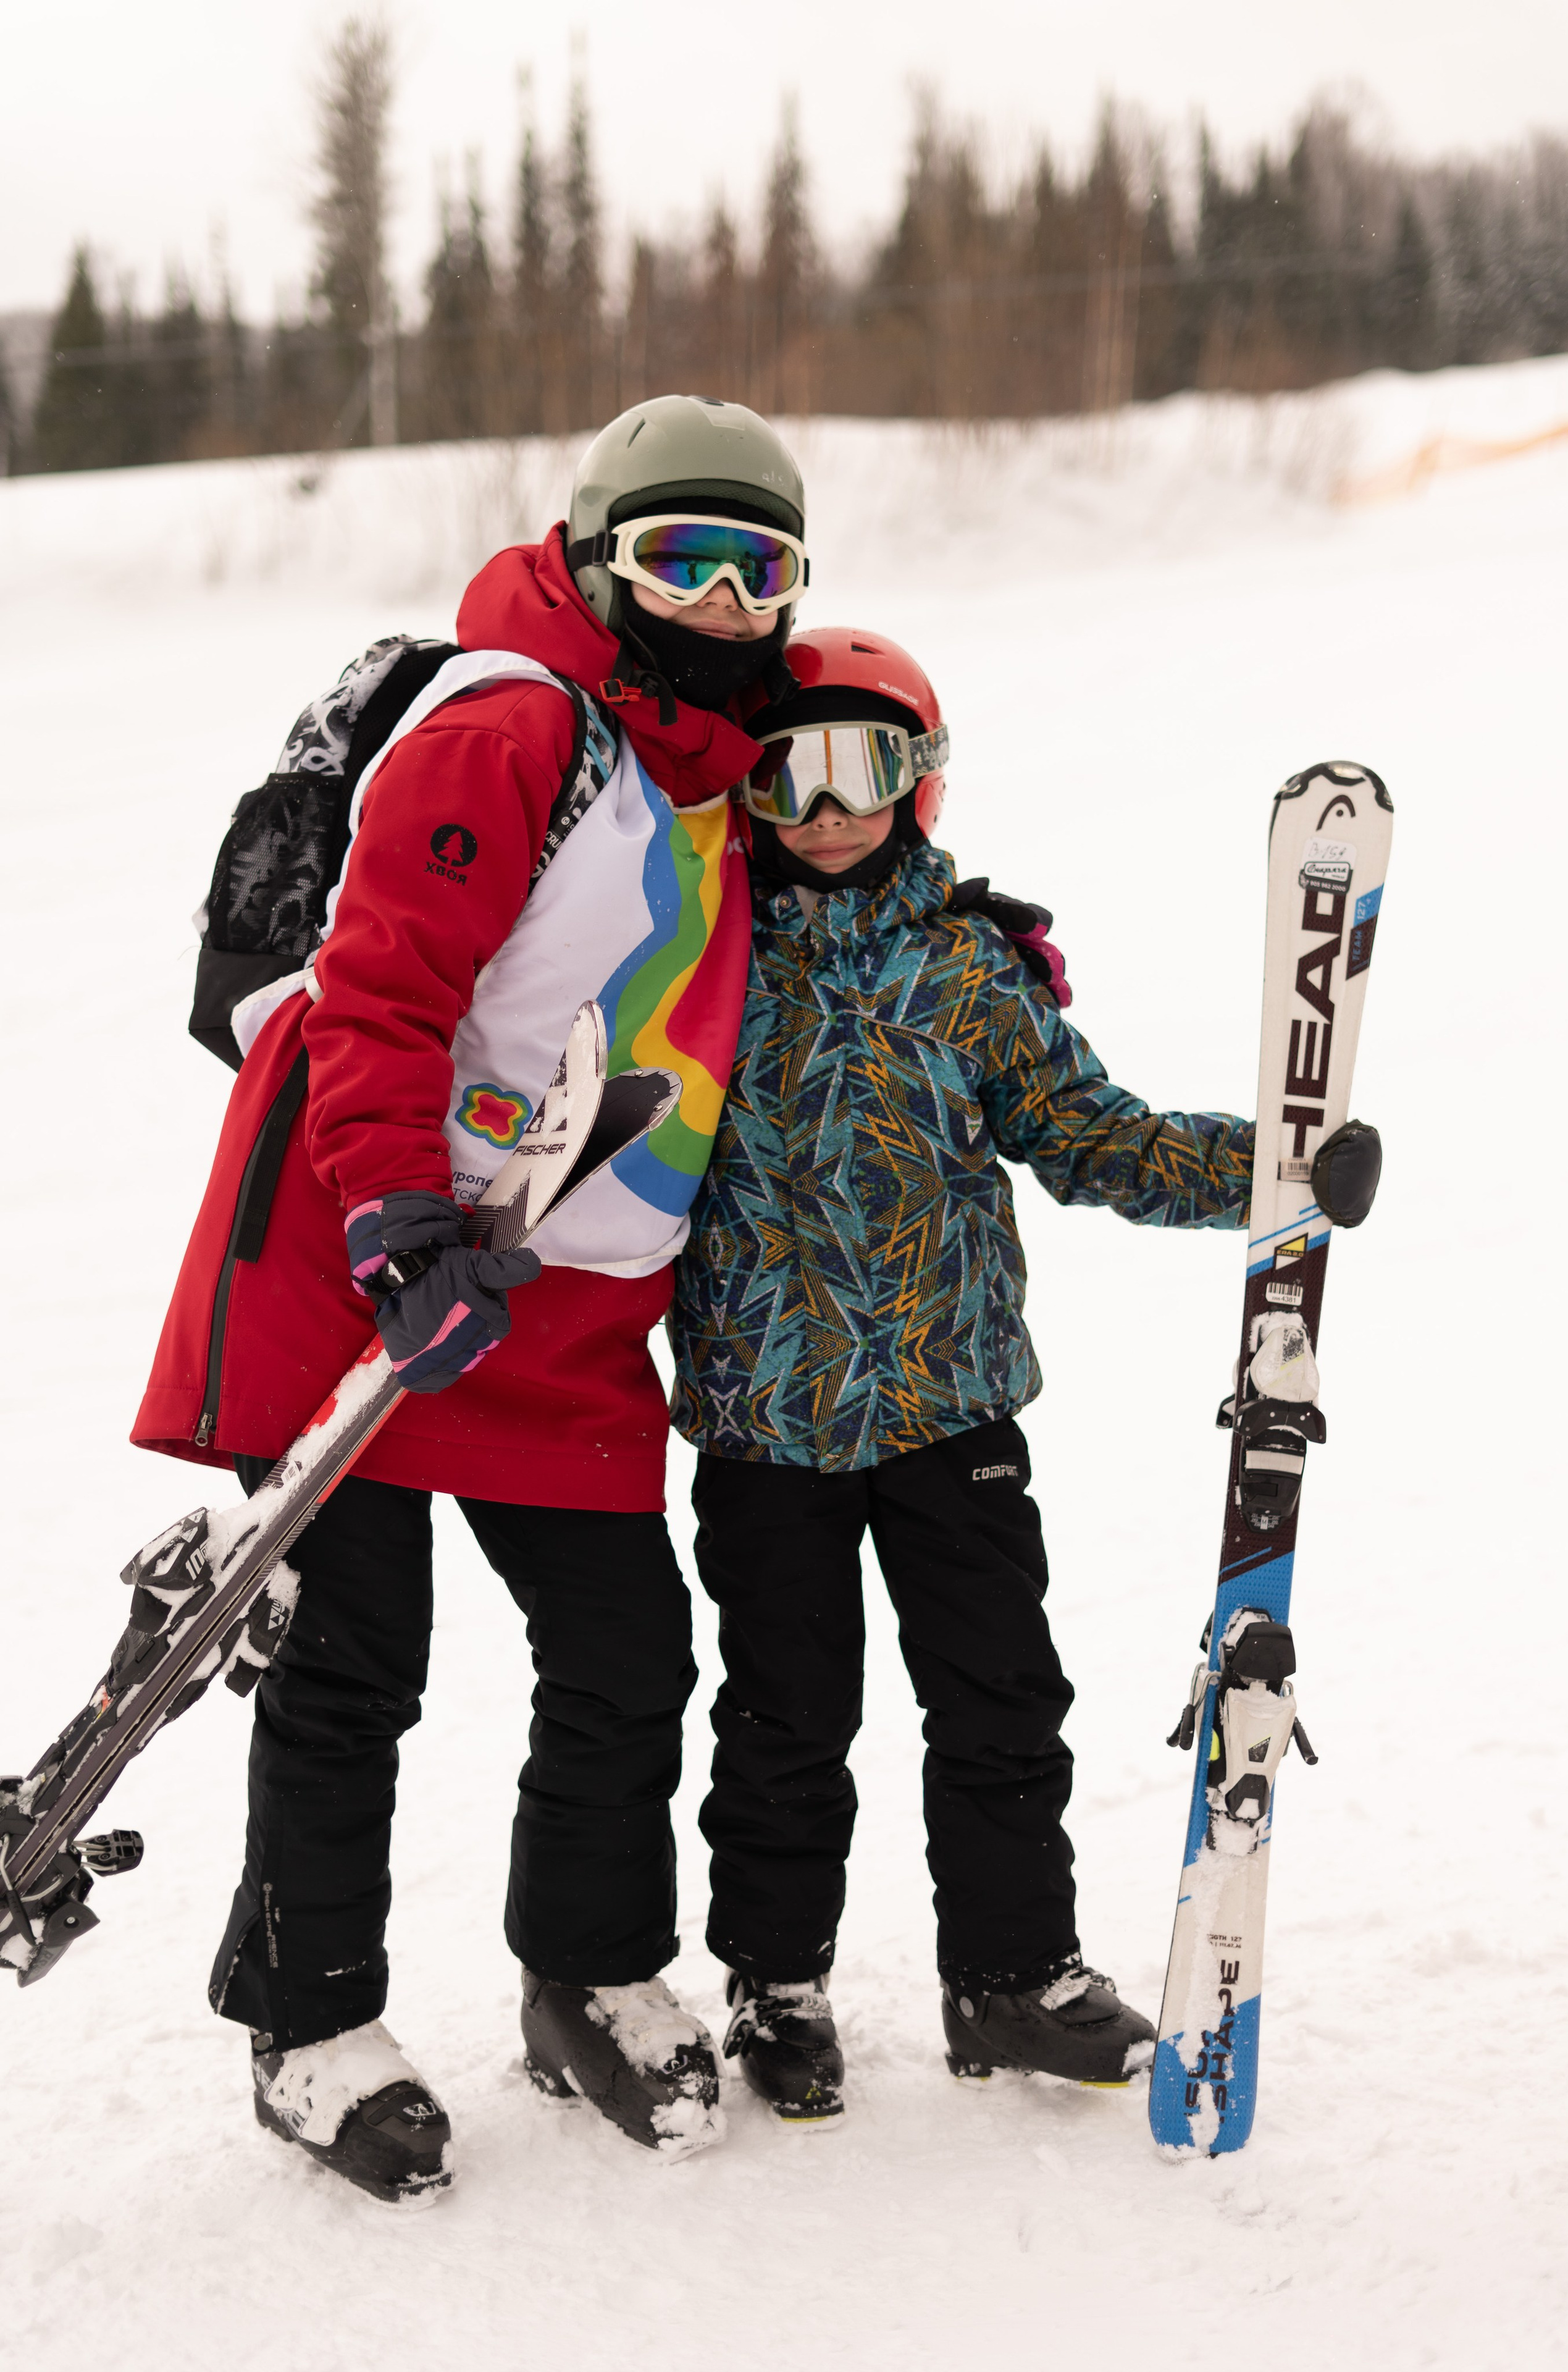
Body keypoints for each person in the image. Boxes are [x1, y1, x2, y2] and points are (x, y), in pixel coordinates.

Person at [133, 395, 813, 2200]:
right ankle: (307, 2024)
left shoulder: (721, 764)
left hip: (568, 1303)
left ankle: (585, 1971)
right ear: (598, 566)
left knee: (621, 1652)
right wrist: (396, 1228)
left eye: (764, 570)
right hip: (397, 1266)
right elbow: (378, 996)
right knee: (357, 1667)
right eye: (686, 562)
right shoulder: (515, 726)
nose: (729, 604)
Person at [668, 625, 1262, 2123]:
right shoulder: (693, 963)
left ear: (917, 779)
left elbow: (1088, 1134)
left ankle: (1011, 1978)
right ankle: (776, 1981)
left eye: (859, 767)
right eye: (782, 772)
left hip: (951, 1412)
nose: (821, 809)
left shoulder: (967, 969)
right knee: (784, 1714)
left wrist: (1263, 1172)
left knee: (999, 1698)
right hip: (766, 1424)